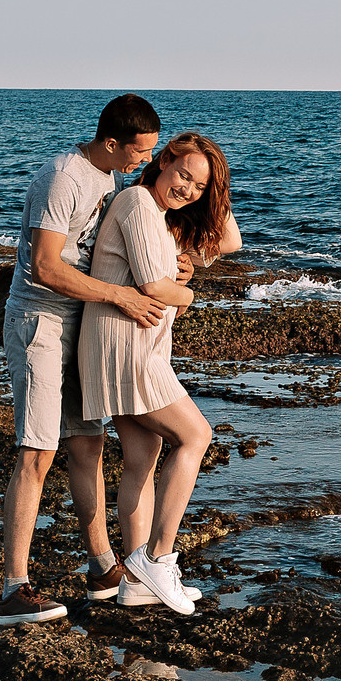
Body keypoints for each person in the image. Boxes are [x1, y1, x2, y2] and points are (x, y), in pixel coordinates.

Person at [0, 94, 166, 627]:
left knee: (88, 445)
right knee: (37, 452)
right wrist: (121, 297)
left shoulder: (109, 175)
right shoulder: (62, 177)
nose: (146, 160)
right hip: (39, 323)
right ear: (111, 142)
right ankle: (14, 590)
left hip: (81, 322)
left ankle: (102, 568)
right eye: (140, 151)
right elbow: (45, 266)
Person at [76, 132, 239, 616]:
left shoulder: (164, 219)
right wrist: (187, 293)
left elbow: (230, 240)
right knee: (196, 435)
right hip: (127, 350)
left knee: (143, 455)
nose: (187, 188)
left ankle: (135, 580)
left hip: (124, 347)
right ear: (164, 160)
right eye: (183, 174)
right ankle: (159, 557)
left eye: (199, 186)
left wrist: (214, 188)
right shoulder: (138, 203)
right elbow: (153, 285)